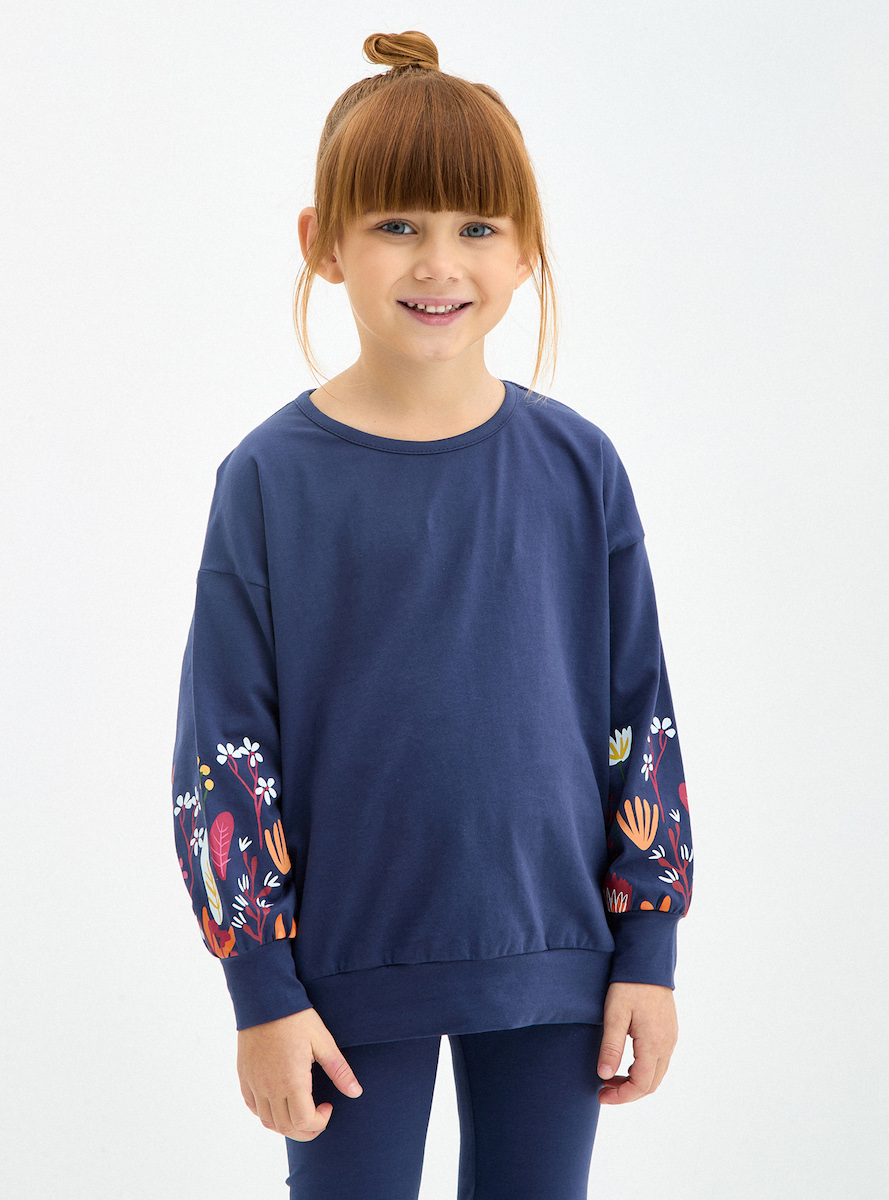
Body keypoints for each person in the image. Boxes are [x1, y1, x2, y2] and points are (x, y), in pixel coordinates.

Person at [171, 29, 694, 1200]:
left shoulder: (580, 468)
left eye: (477, 228)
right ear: (323, 243)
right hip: (343, 973)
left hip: (556, 959)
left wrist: (648, 951)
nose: (439, 262)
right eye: (399, 224)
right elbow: (223, 752)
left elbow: (640, 718)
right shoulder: (268, 480)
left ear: (525, 249)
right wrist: (262, 992)